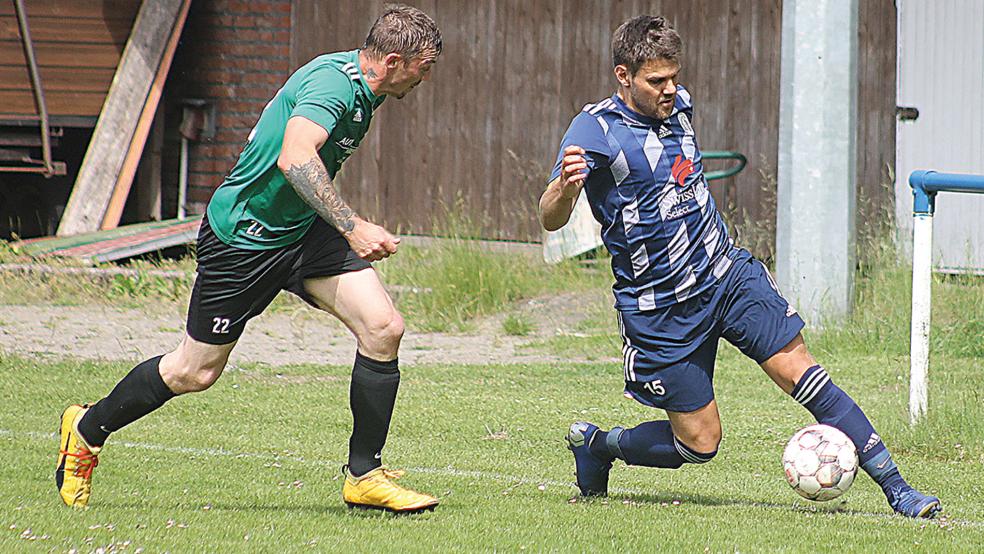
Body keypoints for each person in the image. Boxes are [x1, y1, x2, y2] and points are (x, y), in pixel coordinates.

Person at [539, 15, 941, 518]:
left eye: (674, 78)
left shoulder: (680, 107)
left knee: (805, 375)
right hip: (661, 308)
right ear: (623, 76)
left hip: (728, 275)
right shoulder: (593, 131)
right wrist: (565, 189)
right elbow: (550, 219)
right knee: (700, 444)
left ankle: (900, 490)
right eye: (655, 82)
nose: (669, 91)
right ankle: (599, 445)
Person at [56, 4, 441, 514]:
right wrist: (354, 226)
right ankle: (86, 431)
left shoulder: (369, 89)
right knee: (194, 372)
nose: (425, 78)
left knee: (383, 327)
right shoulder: (334, 85)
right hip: (245, 237)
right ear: (394, 60)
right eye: (424, 67)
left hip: (302, 231)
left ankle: (364, 476)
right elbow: (295, 156)